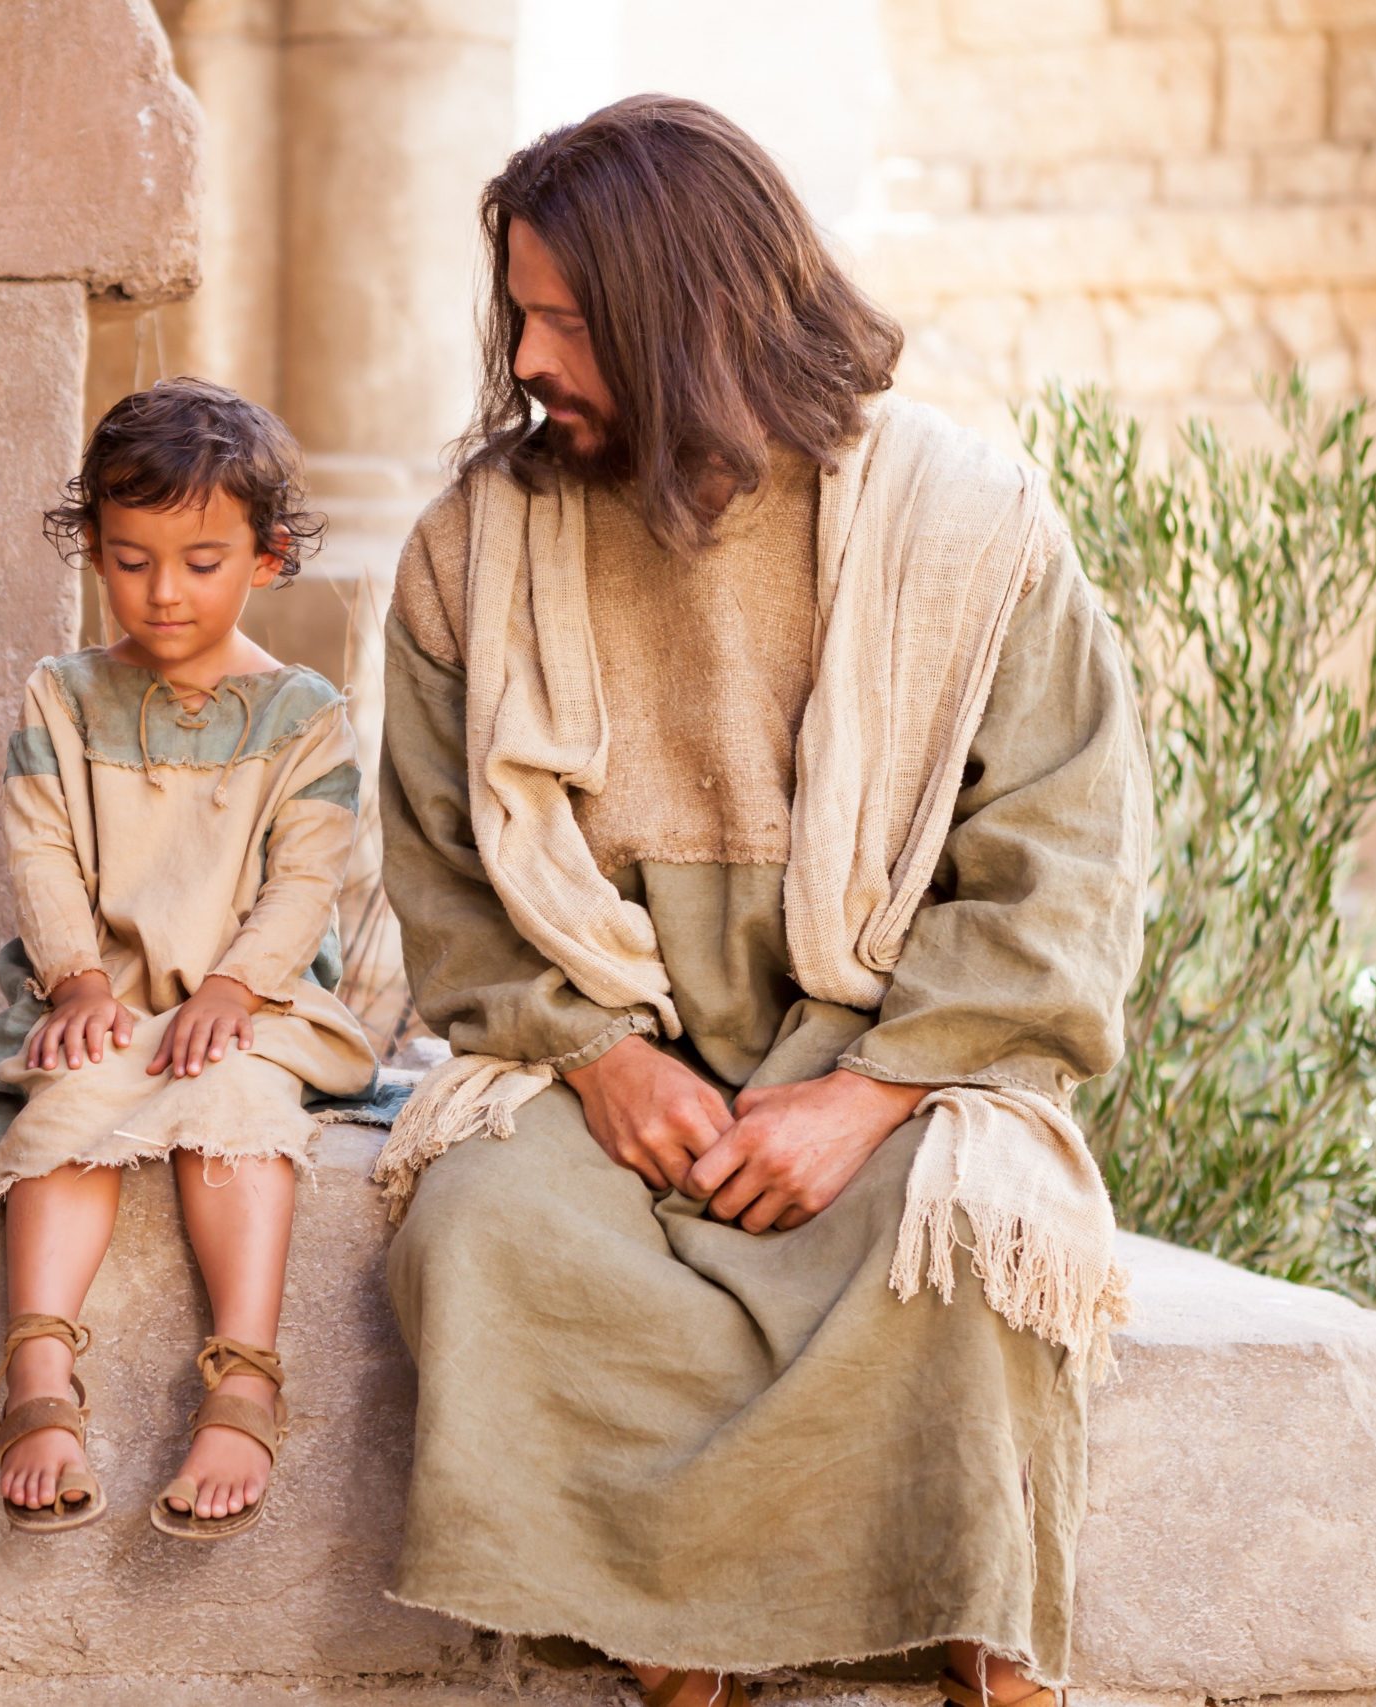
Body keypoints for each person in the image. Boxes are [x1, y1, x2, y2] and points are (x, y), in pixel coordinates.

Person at [372, 97, 1152, 1707]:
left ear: (692, 317)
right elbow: (447, 872)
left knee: (964, 1248)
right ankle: (678, 1641)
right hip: (613, 1056)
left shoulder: (971, 526)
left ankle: (981, 1636)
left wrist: (862, 1098)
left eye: (568, 321)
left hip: (888, 1050)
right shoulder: (473, 550)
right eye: (517, 309)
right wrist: (591, 1050)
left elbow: (1061, 863)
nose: (524, 353)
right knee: (486, 1229)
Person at [0, 378, 379, 1538]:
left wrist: (232, 988)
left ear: (267, 556)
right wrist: (79, 985)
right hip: (99, 990)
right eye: (130, 558)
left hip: (251, 1001)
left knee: (236, 1097)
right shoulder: (63, 697)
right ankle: (38, 1373)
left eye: (201, 561)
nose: (162, 592)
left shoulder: (301, 714)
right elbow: (42, 850)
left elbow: (306, 877)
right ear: (92, 550)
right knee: (75, 1091)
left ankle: (244, 1373)